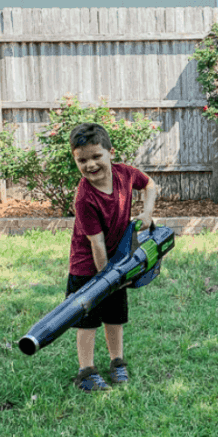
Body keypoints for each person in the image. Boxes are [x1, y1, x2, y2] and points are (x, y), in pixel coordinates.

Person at [67, 122, 157, 390]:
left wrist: (148, 213)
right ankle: (86, 371)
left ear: (110, 153)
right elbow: (97, 244)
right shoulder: (85, 198)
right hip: (88, 268)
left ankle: (117, 362)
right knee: (88, 320)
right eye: (82, 160)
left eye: (96, 156)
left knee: (114, 316)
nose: (90, 164)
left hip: (117, 261)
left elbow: (150, 185)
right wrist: (107, 280)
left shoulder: (126, 175)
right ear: (75, 160)